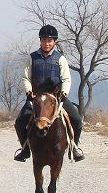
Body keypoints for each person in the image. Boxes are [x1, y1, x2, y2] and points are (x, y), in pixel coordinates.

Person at [13, 24, 85, 162]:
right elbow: (26, 77)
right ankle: (25, 149)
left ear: (54, 42)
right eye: (44, 40)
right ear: (40, 40)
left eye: (49, 40)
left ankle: (74, 147)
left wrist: (64, 93)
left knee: (77, 120)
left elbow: (66, 79)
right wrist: (28, 91)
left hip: (56, 98)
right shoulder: (32, 58)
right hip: (37, 98)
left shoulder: (60, 59)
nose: (47, 43)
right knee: (19, 122)